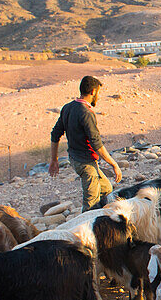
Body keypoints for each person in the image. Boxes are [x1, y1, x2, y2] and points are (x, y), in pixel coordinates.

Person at [49, 75, 122, 211]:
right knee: (90, 205)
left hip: (75, 159)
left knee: (106, 189)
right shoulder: (86, 113)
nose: (98, 97)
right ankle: (89, 228)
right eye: (98, 93)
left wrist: (54, 159)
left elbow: (55, 134)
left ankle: (106, 220)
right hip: (86, 164)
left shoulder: (68, 107)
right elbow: (97, 144)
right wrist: (114, 164)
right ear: (93, 92)